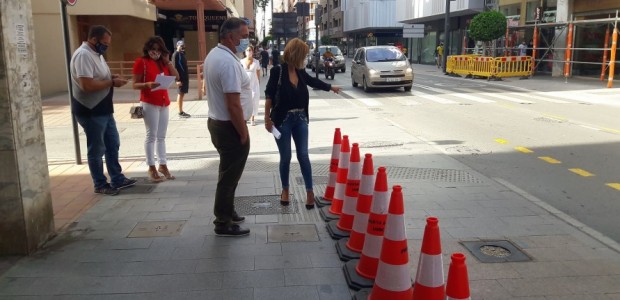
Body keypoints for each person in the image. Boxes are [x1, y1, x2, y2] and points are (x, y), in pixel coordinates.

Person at [264, 38, 342, 209]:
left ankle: (309, 192)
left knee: (303, 156)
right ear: (296, 54)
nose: (305, 58)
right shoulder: (278, 71)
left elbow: (314, 82)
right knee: (286, 157)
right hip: (282, 120)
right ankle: (285, 190)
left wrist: (331, 88)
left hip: (300, 119)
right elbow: (269, 95)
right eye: (304, 55)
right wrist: (267, 119)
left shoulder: (300, 72)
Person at [69, 25, 136, 196]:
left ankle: (117, 178)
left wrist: (111, 77)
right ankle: (100, 183)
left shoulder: (96, 54)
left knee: (112, 144)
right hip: (91, 110)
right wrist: (111, 83)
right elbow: (87, 85)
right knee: (97, 148)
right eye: (104, 43)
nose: (106, 46)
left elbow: (97, 77)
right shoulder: (84, 55)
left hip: (104, 108)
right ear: (93, 39)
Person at [203, 17, 253, 237]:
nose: (246, 40)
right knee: (229, 176)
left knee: (228, 172)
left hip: (218, 122)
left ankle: (228, 210)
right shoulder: (228, 62)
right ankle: (222, 221)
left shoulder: (215, 55)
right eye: (243, 36)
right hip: (229, 126)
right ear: (231, 37)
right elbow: (233, 104)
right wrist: (243, 131)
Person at [132, 36, 180, 183]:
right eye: (153, 49)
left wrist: (168, 62)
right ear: (148, 49)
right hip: (149, 101)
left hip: (164, 102)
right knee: (151, 136)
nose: (156, 52)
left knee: (161, 136)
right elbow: (134, 84)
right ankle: (151, 167)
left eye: (159, 50)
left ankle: (163, 165)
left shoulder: (162, 63)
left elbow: (176, 76)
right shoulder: (142, 62)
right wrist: (147, 84)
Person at [241, 45, 261, 126]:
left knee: (253, 100)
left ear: (253, 52)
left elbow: (258, 71)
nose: (249, 52)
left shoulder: (256, 62)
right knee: (244, 100)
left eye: (250, 50)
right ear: (245, 52)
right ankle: (244, 117)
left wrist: (258, 81)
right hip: (244, 84)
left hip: (254, 83)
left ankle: (252, 118)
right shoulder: (241, 61)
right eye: (247, 50)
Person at [172, 40, 191, 118]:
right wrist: (177, 80)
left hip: (184, 77)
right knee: (180, 93)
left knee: (182, 94)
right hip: (180, 78)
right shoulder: (176, 54)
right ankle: (180, 112)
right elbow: (174, 67)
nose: (182, 47)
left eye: (183, 46)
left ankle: (181, 110)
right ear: (177, 46)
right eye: (180, 46)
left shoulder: (182, 54)